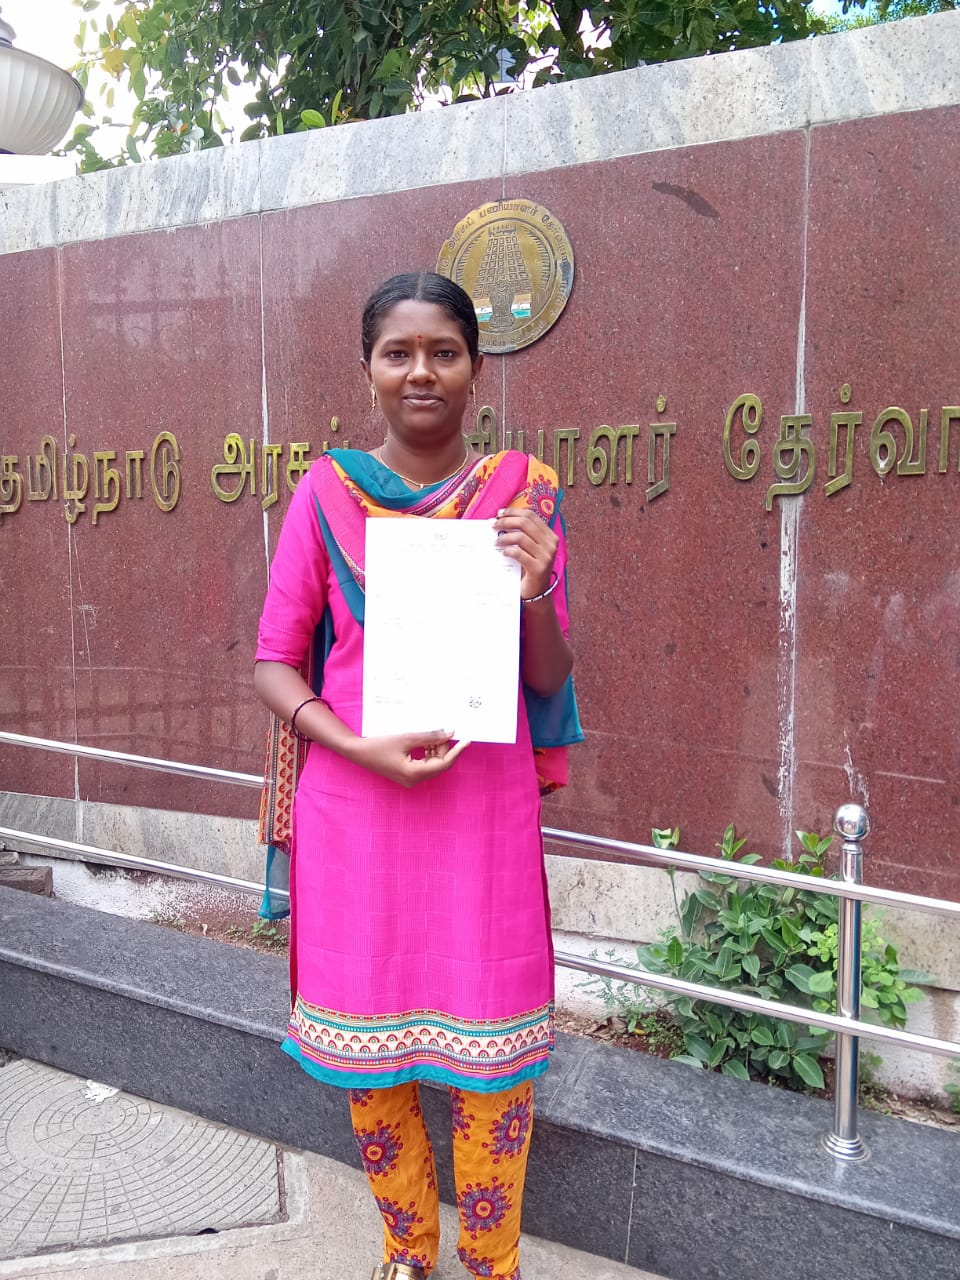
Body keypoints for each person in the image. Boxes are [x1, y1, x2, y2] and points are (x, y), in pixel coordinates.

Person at [254, 271, 581, 1280]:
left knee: (495, 1063)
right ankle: (407, 1250)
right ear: (368, 371)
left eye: (443, 351)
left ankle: (491, 1262)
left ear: (476, 369)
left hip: (481, 814)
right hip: (356, 808)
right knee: (369, 1056)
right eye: (398, 353)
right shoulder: (324, 494)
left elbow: (549, 677)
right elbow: (273, 661)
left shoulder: (522, 495)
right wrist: (354, 745)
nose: (421, 372)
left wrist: (536, 585)